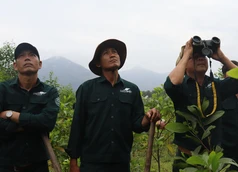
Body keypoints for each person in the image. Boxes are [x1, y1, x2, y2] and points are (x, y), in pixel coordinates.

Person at [66, 38, 161, 172]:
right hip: (92, 163)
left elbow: (137, 124)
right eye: (106, 53)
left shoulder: (132, 89)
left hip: (121, 162)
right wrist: (73, 161)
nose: (112, 55)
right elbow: (78, 125)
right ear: (98, 63)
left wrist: (148, 117)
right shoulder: (87, 89)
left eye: (115, 52)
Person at [163, 37, 238, 172]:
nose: (201, 59)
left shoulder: (216, 86)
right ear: (184, 63)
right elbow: (171, 84)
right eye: (195, 57)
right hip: (187, 158)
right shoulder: (181, 87)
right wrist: (187, 53)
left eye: (203, 56)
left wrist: (221, 57)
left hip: (213, 159)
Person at [0, 42, 60, 172]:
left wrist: (12, 115)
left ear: (40, 64)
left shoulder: (50, 92)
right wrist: (32, 124)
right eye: (21, 55)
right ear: (15, 65)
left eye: (32, 55)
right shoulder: (3, 89)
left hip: (38, 165)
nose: (27, 58)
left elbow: (47, 122)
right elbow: (40, 122)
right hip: (5, 164)